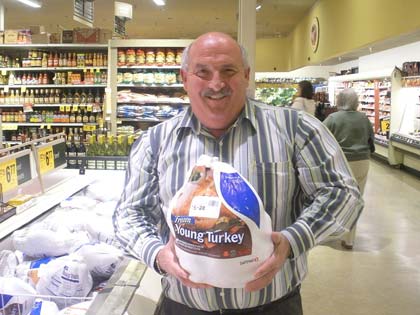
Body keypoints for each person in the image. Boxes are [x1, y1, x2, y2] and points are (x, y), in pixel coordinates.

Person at [113, 32, 364, 314]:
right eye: (203, 72)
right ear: (185, 78)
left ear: (245, 75)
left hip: (272, 306)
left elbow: (342, 194)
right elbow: (130, 213)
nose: (216, 83)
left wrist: (294, 240)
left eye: (228, 71)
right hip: (183, 306)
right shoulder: (154, 142)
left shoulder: (297, 129)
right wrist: (157, 253)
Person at [323, 88, 375, 250]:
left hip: (341, 163)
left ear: (339, 101)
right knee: (356, 199)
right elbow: (370, 140)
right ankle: (349, 239)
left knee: (337, 199)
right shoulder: (364, 118)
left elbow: (319, 136)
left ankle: (332, 232)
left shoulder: (333, 118)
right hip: (362, 162)